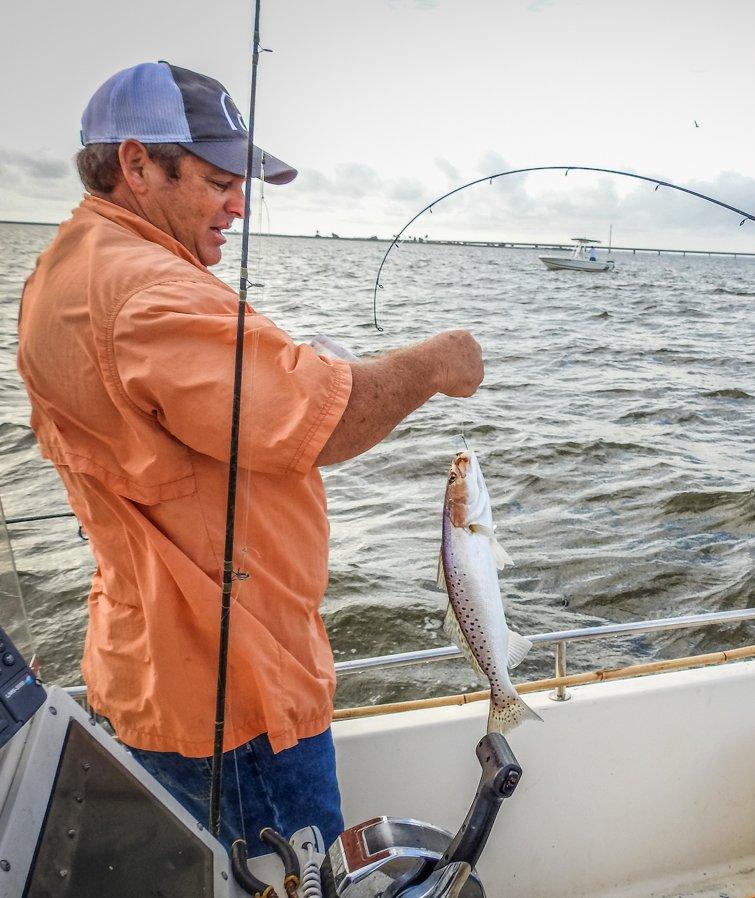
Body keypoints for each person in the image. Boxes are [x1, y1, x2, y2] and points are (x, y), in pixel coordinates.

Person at [16, 62, 483, 853]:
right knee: (302, 875)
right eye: (217, 180)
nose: (240, 204)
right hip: (236, 694)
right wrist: (437, 362)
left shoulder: (70, 266)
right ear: (135, 164)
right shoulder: (146, 289)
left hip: (155, 665)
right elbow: (322, 423)